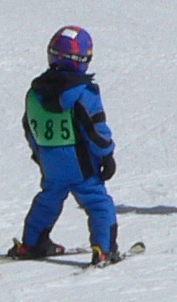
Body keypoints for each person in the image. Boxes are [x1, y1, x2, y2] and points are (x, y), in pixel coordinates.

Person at [8, 26, 121, 264]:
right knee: (98, 201)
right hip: (80, 162)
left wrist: (39, 154)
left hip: (50, 159)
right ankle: (104, 248)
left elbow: (30, 127)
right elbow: (95, 129)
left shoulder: (34, 92)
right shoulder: (84, 92)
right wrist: (106, 155)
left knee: (49, 198)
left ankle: (32, 243)